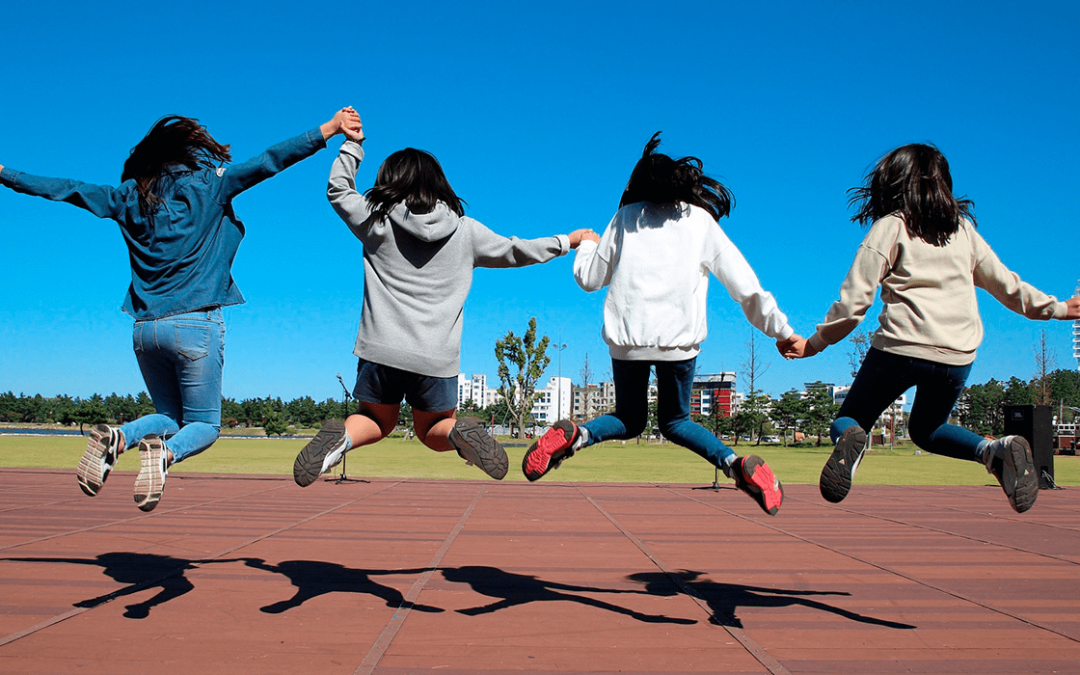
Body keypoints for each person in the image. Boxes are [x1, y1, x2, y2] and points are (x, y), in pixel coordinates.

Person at [0, 108, 362, 511]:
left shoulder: (127, 197)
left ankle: (119, 437)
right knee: (205, 425)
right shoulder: (210, 185)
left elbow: (68, 188)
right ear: (189, 153)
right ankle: (165, 456)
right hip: (195, 324)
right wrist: (329, 129)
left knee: (169, 417)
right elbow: (269, 161)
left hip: (144, 330)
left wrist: (5, 173)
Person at [292, 114, 595, 486]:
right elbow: (517, 251)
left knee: (376, 420)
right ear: (439, 183)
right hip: (436, 357)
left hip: (380, 350)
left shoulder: (378, 222)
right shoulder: (466, 232)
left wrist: (352, 144)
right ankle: (458, 434)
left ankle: (341, 439)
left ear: (389, 182)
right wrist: (567, 241)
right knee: (433, 429)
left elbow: (338, 190)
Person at [782, 143, 1080, 513]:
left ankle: (854, 443)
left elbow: (854, 303)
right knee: (927, 429)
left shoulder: (891, 227)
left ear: (891, 183)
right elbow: (1008, 286)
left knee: (849, 419)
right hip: (957, 354)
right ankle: (994, 451)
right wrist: (1059, 308)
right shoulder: (964, 232)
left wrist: (815, 343)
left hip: (900, 347)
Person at [521, 133, 796, 516]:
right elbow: (744, 285)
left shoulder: (624, 219)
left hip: (627, 342)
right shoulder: (700, 222)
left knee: (629, 418)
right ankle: (735, 465)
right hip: (678, 345)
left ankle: (576, 436)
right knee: (675, 420)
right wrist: (782, 331)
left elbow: (588, 279)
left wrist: (584, 243)